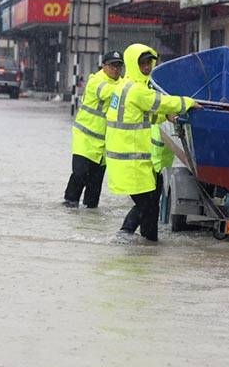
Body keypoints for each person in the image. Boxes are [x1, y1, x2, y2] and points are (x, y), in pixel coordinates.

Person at [106, 44, 197, 241]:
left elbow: (142, 116)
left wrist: (166, 117)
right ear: (132, 64)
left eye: (149, 62)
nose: (147, 67)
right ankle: (126, 234)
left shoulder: (124, 87)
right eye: (142, 63)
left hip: (129, 160)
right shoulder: (137, 90)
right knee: (147, 202)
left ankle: (148, 241)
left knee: (152, 198)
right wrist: (187, 103)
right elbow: (162, 102)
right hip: (131, 161)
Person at [63, 50, 124, 208]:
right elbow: (107, 93)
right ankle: (69, 204)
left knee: (95, 186)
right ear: (103, 66)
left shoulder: (122, 84)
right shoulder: (96, 80)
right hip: (85, 138)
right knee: (80, 174)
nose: (116, 69)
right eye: (112, 66)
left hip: (104, 144)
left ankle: (90, 218)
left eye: (119, 66)